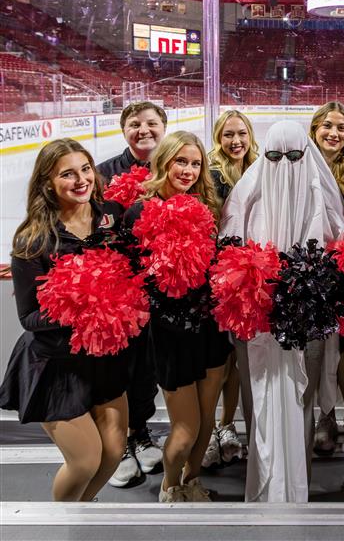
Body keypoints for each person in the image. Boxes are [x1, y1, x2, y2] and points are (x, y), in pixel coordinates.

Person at [221, 120, 344, 502]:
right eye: (274, 156)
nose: (285, 165)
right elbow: (229, 259)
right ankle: (262, 481)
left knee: (301, 400)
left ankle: (297, 485)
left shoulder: (322, 198)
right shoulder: (246, 195)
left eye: (294, 156)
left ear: (306, 156)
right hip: (255, 323)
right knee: (255, 397)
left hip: (306, 324)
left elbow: (338, 255)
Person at [0, 139, 128, 501]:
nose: (81, 179)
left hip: (104, 359)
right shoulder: (33, 240)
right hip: (56, 364)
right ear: (48, 183)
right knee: (86, 461)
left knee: (115, 450)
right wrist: (84, 310)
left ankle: (82, 513)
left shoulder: (111, 219)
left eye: (85, 169)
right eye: (67, 174)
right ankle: (60, 528)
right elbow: (29, 318)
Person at [123, 131, 231, 503]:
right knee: (186, 428)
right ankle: (170, 484)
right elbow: (129, 276)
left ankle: (193, 478)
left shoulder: (208, 208)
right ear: (164, 161)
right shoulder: (139, 211)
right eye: (180, 161)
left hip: (211, 329)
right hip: (169, 335)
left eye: (195, 163)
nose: (188, 170)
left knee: (207, 423)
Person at [98, 101, 168, 487]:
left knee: (148, 366)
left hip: (157, 287)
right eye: (135, 124)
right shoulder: (104, 173)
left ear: (164, 127)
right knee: (119, 367)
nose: (144, 130)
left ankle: (141, 432)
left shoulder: (173, 166)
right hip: (116, 289)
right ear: (124, 128)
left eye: (152, 123)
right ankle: (121, 440)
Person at [309, 101, 344, 457]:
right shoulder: (301, 167)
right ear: (315, 129)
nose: (333, 133)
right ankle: (325, 417)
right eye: (327, 126)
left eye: (341, 127)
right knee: (318, 352)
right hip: (314, 276)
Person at [202, 110, 258, 468]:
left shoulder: (258, 170)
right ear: (218, 139)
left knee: (239, 362)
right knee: (217, 363)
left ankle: (226, 426)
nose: (235, 141)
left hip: (247, 280)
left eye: (241, 134)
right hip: (216, 277)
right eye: (227, 135)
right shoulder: (210, 174)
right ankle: (208, 434)